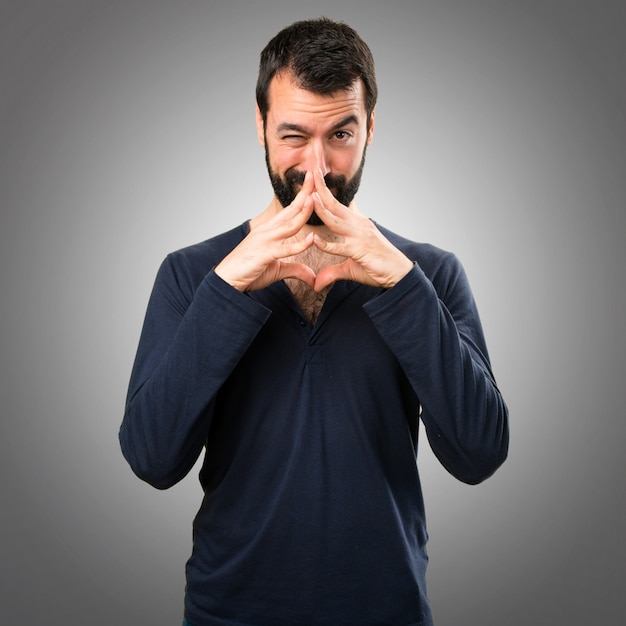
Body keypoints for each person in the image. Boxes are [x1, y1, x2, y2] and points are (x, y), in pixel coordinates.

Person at [119, 17, 509, 626]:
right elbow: (152, 458)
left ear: (371, 128)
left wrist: (404, 288)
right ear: (260, 127)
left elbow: (479, 453)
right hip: (229, 613)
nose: (318, 168)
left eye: (341, 135)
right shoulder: (191, 273)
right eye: (294, 135)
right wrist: (228, 289)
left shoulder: (429, 273)